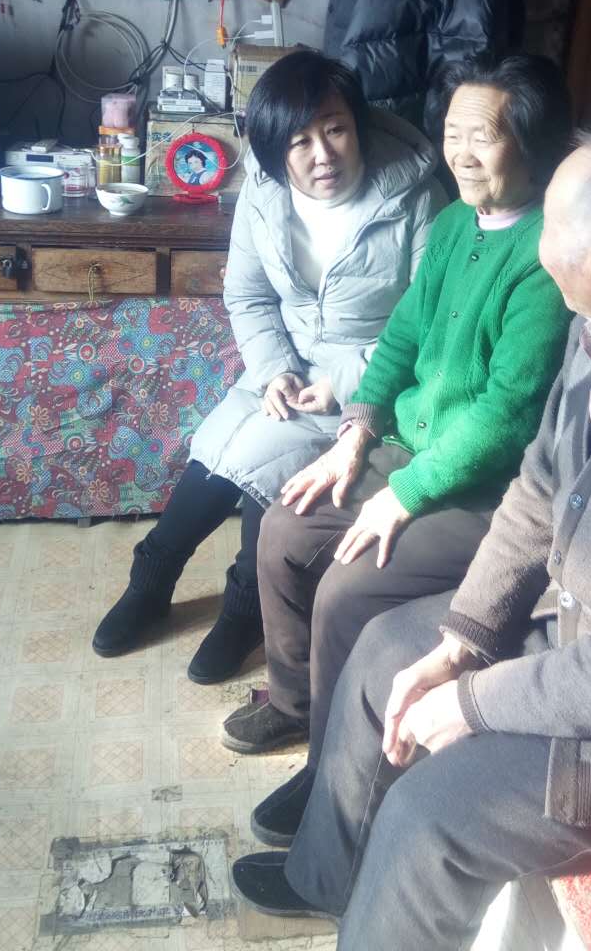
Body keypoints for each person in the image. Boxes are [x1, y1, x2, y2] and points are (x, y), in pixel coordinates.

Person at [232, 114, 591, 951]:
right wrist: (465, 642)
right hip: (587, 634)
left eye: (549, 225)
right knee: (389, 650)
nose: (532, 239)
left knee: (436, 810)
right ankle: (330, 883)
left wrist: (474, 702)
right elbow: (537, 491)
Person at [221, 54, 573, 760]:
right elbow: (402, 338)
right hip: (408, 448)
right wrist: (356, 434)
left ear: (531, 144)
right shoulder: (455, 224)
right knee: (283, 532)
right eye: (452, 134)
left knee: (347, 589)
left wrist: (404, 494)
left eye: (482, 137)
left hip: (488, 490)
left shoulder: (546, 256)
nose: (460, 154)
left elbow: (506, 416)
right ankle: (293, 706)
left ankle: (329, 763)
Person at [91, 51, 446, 684]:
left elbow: (429, 326)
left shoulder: (417, 197)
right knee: (218, 453)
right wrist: (274, 369)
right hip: (286, 366)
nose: (322, 155)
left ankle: (244, 606)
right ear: (275, 150)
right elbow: (249, 295)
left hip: (372, 382)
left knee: (271, 466)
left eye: (335, 130)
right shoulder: (262, 189)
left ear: (359, 125)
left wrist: (343, 380)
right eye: (300, 141)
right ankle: (152, 577)